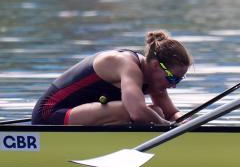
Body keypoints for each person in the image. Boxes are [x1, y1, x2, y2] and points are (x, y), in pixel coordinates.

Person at [31, 30, 190, 126]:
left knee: (157, 112)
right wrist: (167, 125)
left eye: (178, 80)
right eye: (173, 79)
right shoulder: (126, 64)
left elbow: (171, 113)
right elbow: (137, 113)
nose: (174, 85)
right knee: (130, 111)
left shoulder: (156, 79)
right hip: (50, 114)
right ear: (156, 65)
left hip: (79, 114)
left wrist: (185, 124)